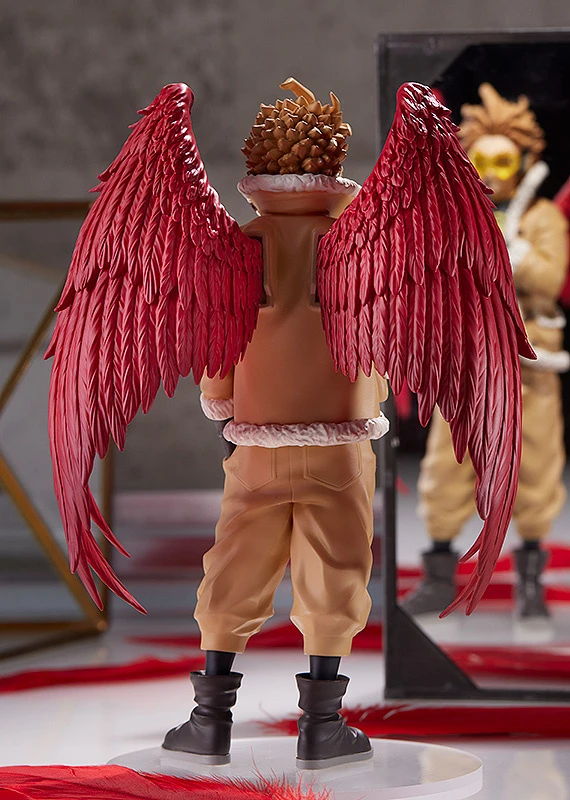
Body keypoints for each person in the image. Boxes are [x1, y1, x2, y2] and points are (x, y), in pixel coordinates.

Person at [403, 83, 569, 620]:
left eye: (504, 161)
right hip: (467, 366)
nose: (493, 174)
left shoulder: (542, 218)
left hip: (528, 368)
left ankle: (529, 582)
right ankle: (438, 574)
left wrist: (514, 253)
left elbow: (550, 279)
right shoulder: (454, 217)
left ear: (524, 163)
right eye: (483, 162)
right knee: (447, 467)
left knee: (534, 467)